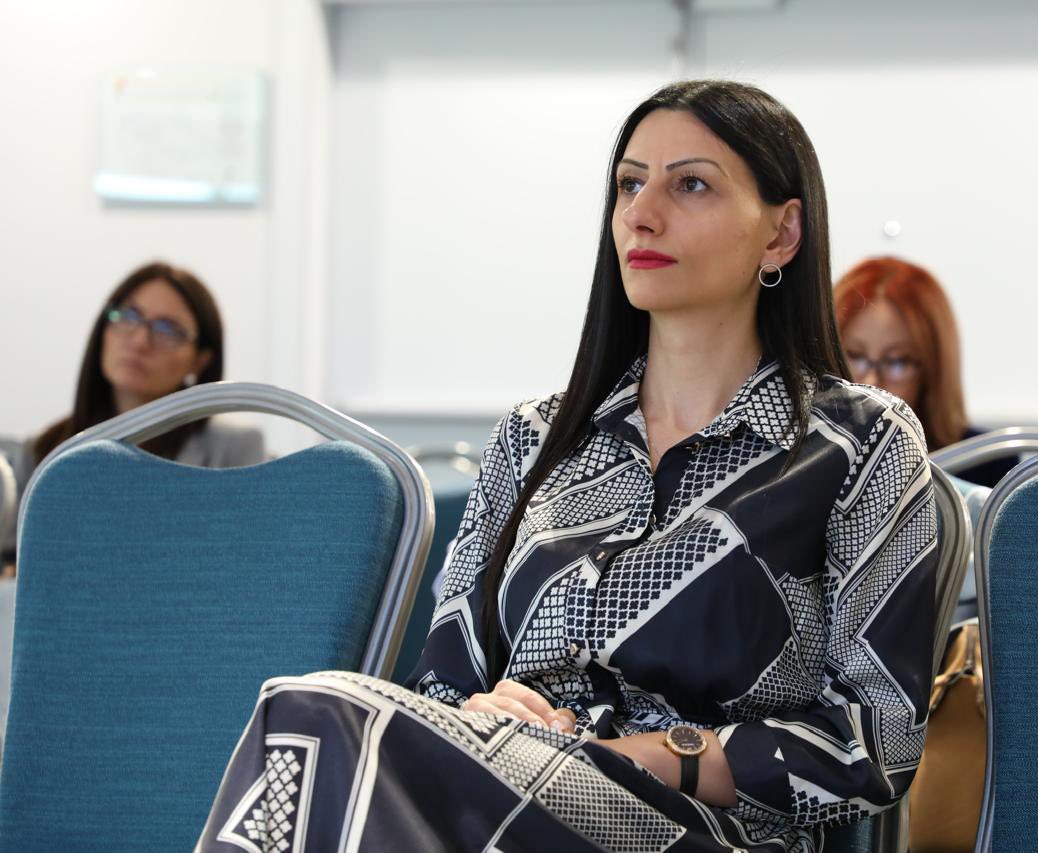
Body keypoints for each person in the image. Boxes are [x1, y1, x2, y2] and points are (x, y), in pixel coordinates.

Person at [199, 80, 937, 852]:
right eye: (629, 184)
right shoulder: (533, 437)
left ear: (781, 234)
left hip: (703, 827)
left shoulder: (859, 444)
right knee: (320, 732)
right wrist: (484, 715)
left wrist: (646, 755)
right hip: (499, 803)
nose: (642, 213)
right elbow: (442, 686)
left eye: (690, 184)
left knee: (313, 719)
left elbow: (875, 744)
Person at [0, 262, 265, 573]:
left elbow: (244, 568)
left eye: (168, 329)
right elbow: (15, 570)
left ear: (200, 360)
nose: (139, 341)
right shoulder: (44, 449)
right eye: (128, 316)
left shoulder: (234, 448)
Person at [833, 256, 1015, 487]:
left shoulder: (988, 460)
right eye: (855, 356)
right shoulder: (804, 460)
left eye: (897, 361)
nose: (871, 382)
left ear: (933, 370)